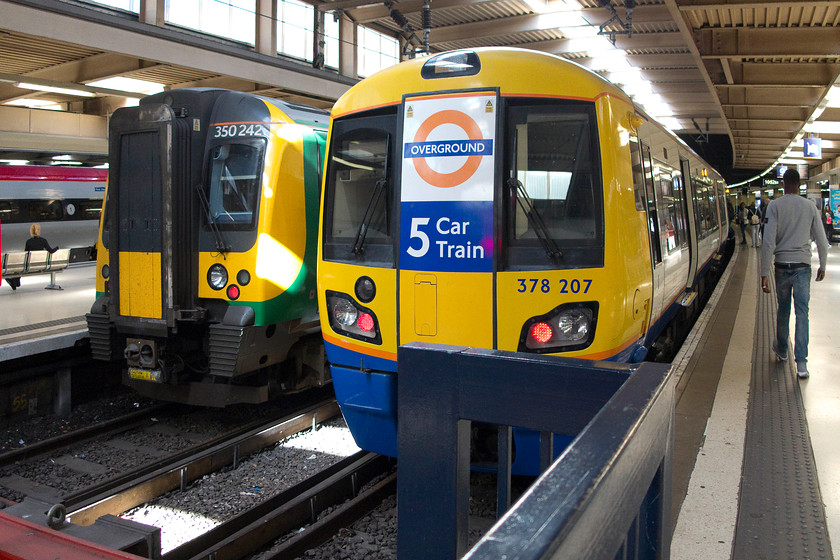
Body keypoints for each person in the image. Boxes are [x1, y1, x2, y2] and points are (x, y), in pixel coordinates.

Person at [760, 169, 829, 379]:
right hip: (802, 267)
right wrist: (823, 266)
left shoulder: (774, 206)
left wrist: (764, 272)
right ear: (799, 184)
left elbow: (768, 241)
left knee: (783, 310)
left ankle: (782, 350)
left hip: (782, 266)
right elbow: (822, 240)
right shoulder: (809, 206)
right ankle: (801, 364)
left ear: (783, 184)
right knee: (802, 313)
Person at [5, 223, 58, 291]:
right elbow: (51, 251)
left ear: (31, 231)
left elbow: (26, 254)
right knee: (23, 266)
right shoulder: (43, 241)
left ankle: (14, 282)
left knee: (21, 265)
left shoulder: (29, 242)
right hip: (40, 265)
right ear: (39, 231)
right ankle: (14, 282)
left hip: (30, 266)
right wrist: (57, 248)